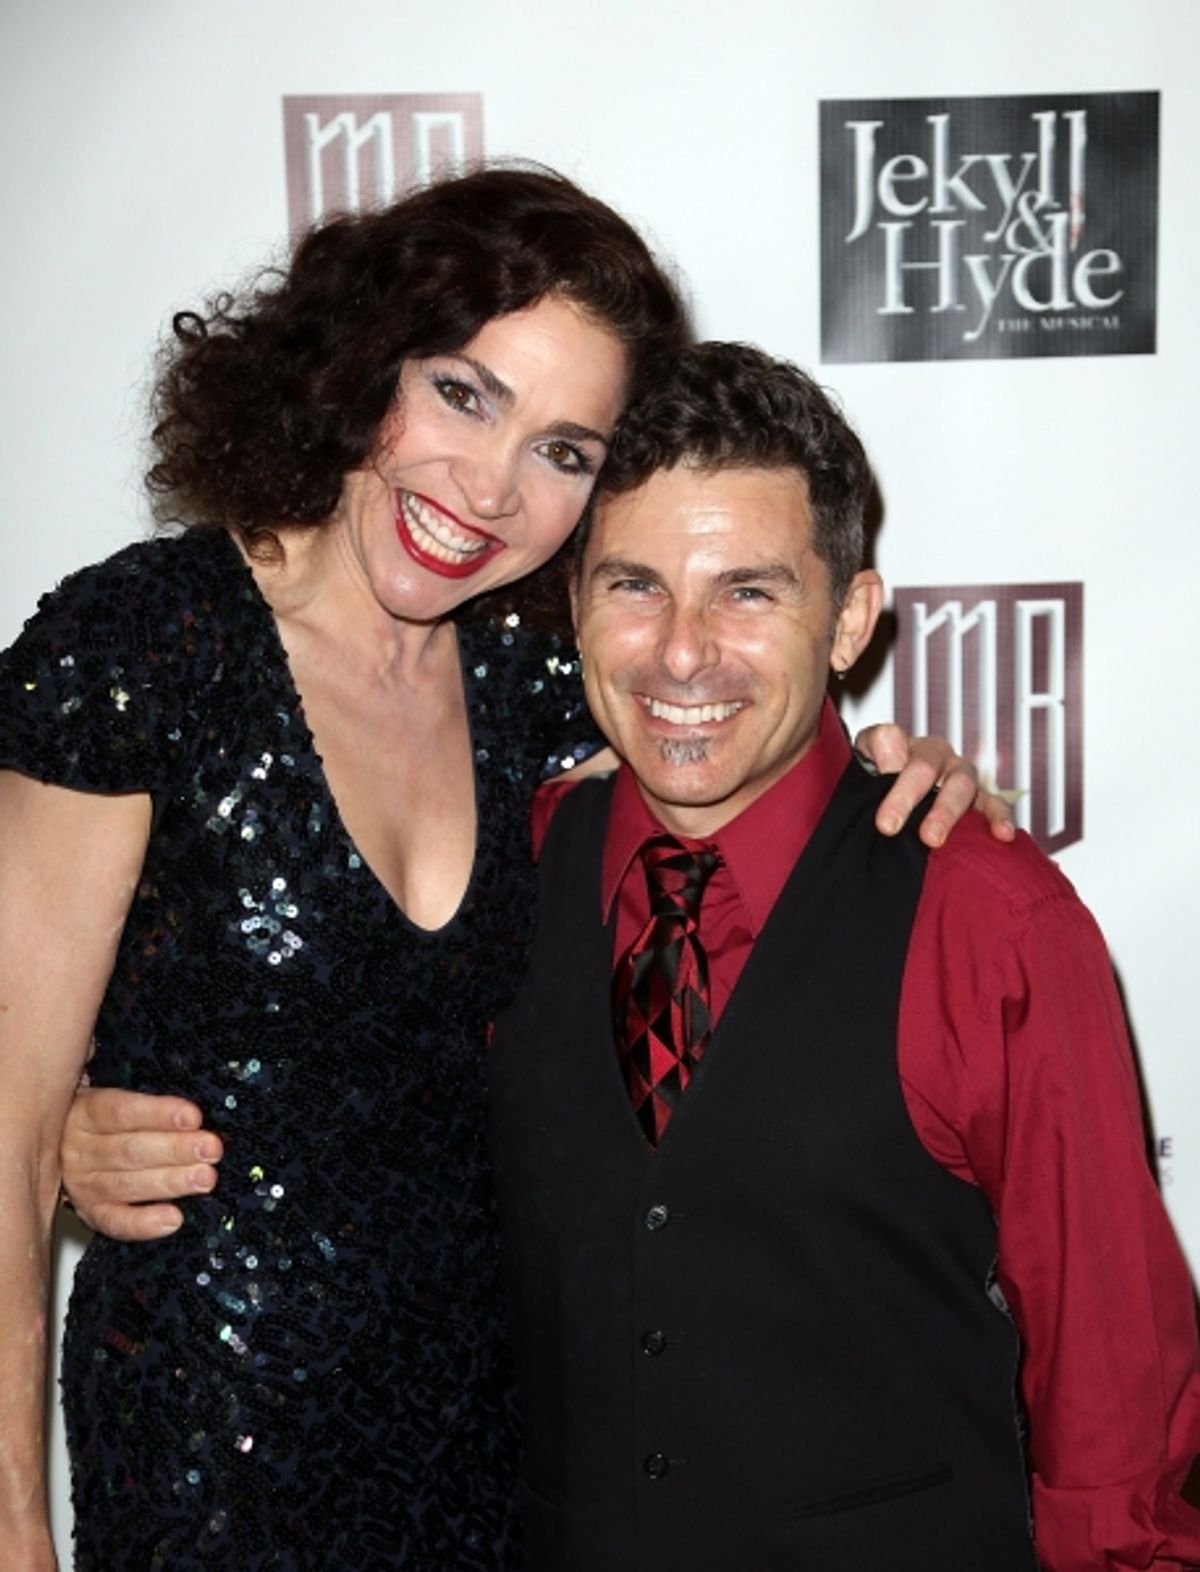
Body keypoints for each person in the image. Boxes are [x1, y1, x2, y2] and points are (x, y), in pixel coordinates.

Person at [0, 170, 985, 1572]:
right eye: (464, 395)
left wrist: (912, 763)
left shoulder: (533, 684)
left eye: (566, 452)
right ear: (363, 363)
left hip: (498, 1447)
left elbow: (739, 735)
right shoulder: (149, 647)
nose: (491, 490)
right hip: (214, 1453)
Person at [486, 343, 1200, 1571]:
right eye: (635, 587)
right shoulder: (510, 865)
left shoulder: (990, 917)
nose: (682, 653)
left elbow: (1115, 1396)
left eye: (748, 593)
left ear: (851, 620)